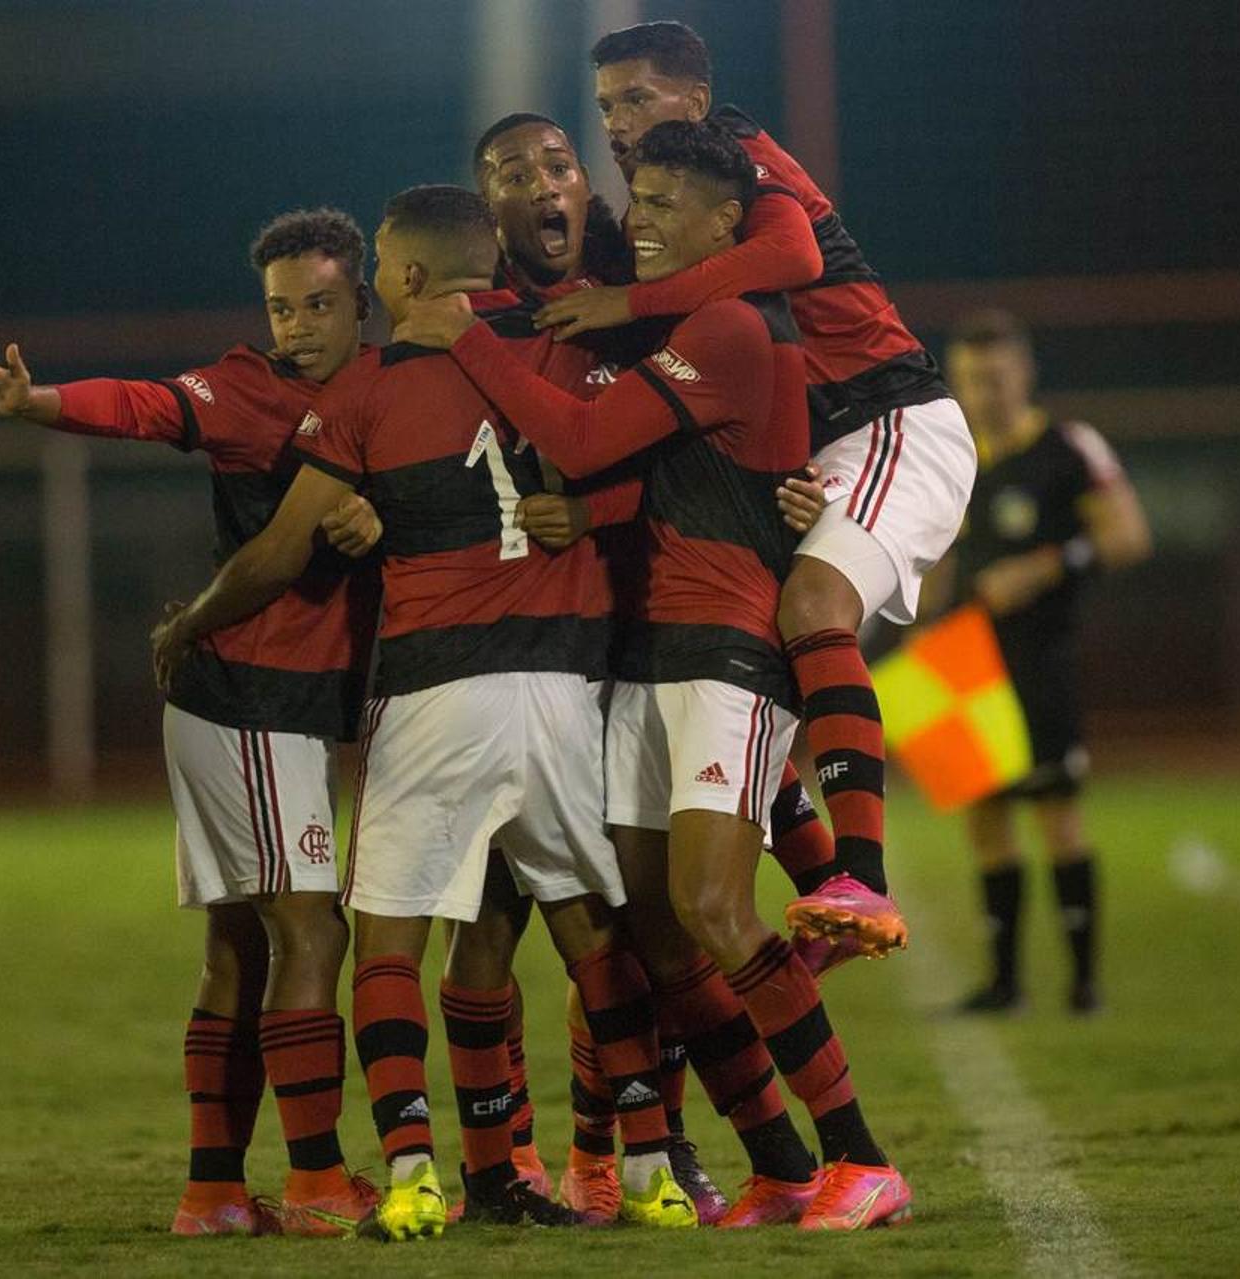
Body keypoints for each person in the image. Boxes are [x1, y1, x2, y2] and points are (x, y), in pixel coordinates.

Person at [151, 185, 698, 1239]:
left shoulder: (369, 391)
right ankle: (647, 1171)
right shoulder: (566, 356)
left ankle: (407, 1169)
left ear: (400, 278)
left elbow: (282, 548)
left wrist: (195, 618)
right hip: (563, 689)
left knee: (387, 939)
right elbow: (658, 475)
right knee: (595, 934)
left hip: (438, 688)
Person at [401, 120, 913, 1231]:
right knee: (659, 929)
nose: (641, 218)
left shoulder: (726, 320)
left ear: (729, 223)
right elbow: (645, 468)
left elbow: (590, 440)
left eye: (668, 202)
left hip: (720, 646)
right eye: (641, 199)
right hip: (635, 653)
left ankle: (858, 1153)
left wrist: (468, 345)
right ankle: (776, 1164)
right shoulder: (672, 313)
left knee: (715, 906)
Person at [0, 210, 386, 1236]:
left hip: (263, 704)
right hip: (253, 696)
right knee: (311, 927)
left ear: (364, 301)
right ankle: (317, 1183)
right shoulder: (248, 389)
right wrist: (32, 401)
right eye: (281, 307)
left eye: (319, 304)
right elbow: (141, 404)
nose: (299, 326)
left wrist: (375, 523)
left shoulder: (389, 389)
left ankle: (213, 1194)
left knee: (240, 945)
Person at [537, 20, 978, 966]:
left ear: (694, 102)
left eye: (639, 98)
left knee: (811, 605)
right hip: (814, 453)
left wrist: (628, 303)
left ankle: (862, 873)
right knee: (747, 668)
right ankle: (827, 887)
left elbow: (796, 261)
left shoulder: (736, 156)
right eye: (608, 104)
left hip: (891, 415)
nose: (618, 120)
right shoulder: (658, 211)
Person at [922, 310, 1151, 1015]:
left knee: (1058, 814)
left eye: (993, 375)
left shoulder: (1068, 446)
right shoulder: (947, 458)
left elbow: (1128, 535)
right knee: (985, 821)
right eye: (968, 379)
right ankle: (1005, 982)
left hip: (1041, 655)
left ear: (1025, 372)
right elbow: (929, 577)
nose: (982, 391)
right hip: (961, 659)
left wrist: (1047, 565)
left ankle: (1084, 981)